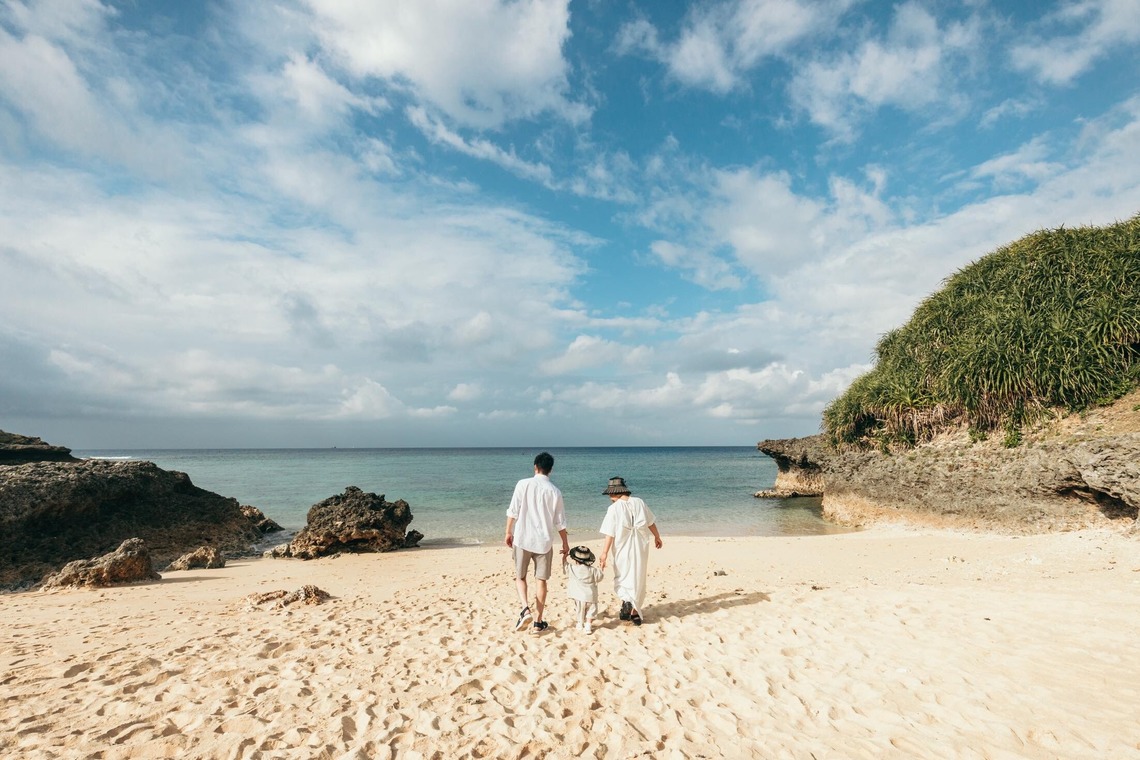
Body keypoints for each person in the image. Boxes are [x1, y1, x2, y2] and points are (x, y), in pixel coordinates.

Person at [505, 451, 569, 635]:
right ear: (551, 470)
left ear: (535, 467)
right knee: (541, 581)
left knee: (520, 577)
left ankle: (525, 608)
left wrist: (508, 532)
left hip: (523, 538)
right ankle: (537, 623)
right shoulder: (555, 491)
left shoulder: (522, 484)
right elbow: (560, 522)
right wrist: (565, 544)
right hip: (544, 542)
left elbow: (513, 511)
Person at [598, 476, 662, 627]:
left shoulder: (613, 509)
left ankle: (628, 604)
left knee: (623, 575)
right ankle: (633, 611)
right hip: (640, 546)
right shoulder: (639, 502)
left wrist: (604, 553)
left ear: (613, 493)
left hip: (622, 548)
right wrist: (657, 537)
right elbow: (651, 522)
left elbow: (610, 533)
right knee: (638, 576)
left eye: (609, 494)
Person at [564, 545, 604, 634]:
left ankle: (580, 623)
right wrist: (601, 567)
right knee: (591, 610)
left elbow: (565, 566)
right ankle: (588, 626)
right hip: (590, 596)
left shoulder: (572, 568)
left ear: (575, 559)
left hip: (578, 596)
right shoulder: (593, 570)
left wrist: (564, 556)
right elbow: (600, 577)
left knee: (579, 610)